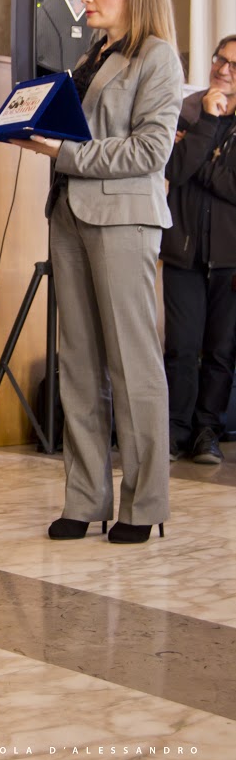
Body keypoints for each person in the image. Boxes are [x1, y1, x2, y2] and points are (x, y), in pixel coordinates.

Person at [14, 0, 183, 544]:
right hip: (69, 214)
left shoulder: (157, 56)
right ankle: (85, 499)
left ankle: (144, 503)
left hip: (124, 220)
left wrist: (63, 151)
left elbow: (149, 151)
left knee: (132, 366)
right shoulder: (93, 53)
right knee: (78, 366)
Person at [162, 34, 236, 465]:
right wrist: (207, 122)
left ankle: (208, 431)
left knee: (222, 351)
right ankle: (175, 430)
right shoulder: (188, 110)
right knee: (182, 347)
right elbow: (174, 168)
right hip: (183, 250)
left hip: (231, 258)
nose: (223, 70)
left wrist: (198, 156)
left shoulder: (189, 129)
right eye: (219, 59)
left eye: (233, 65)